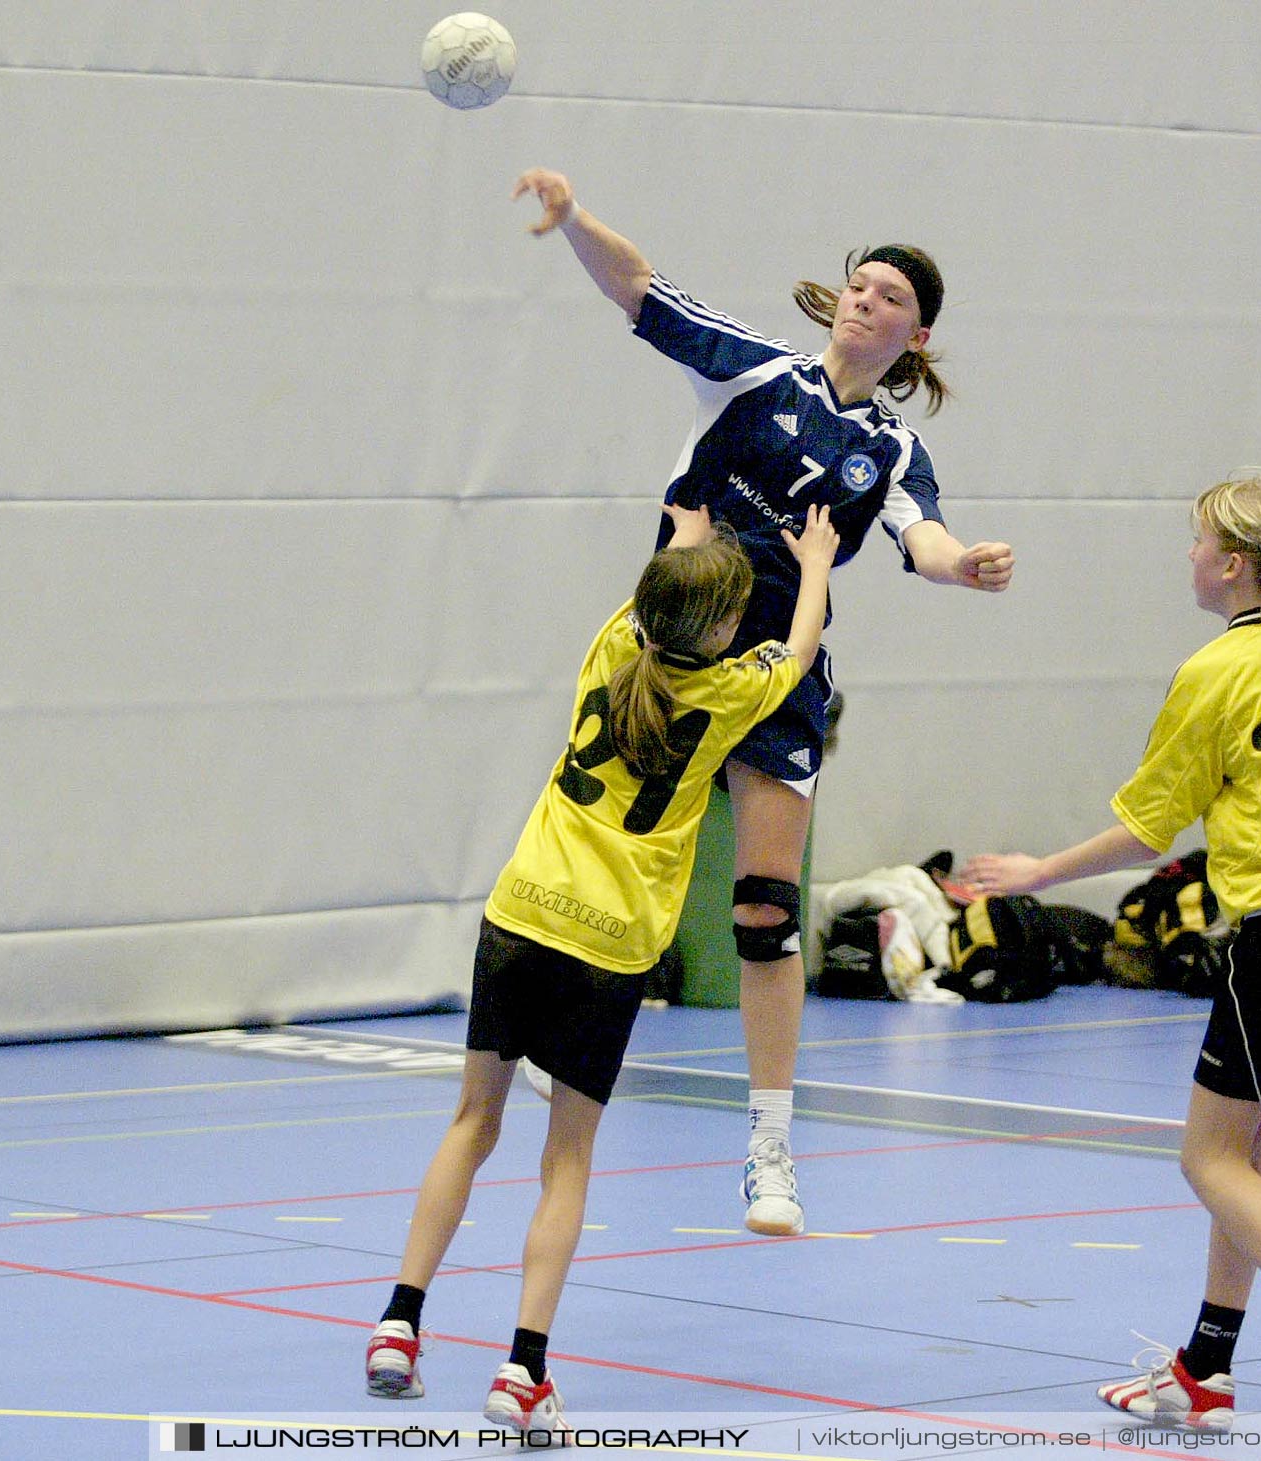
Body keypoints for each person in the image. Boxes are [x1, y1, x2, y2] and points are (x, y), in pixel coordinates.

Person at [510, 167, 1016, 1236]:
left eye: (890, 297)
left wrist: (959, 561)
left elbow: (918, 534)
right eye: (860, 284)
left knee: (764, 913)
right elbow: (642, 292)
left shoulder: (892, 447)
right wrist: (573, 224)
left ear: (913, 336)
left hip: (781, 679)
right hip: (673, 657)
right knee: (603, 862)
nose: (866, 300)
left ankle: (771, 1154)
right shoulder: (754, 374)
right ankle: (551, 1043)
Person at [965, 472, 1261, 1433]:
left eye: (1194, 543)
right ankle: (1205, 1371)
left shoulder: (1215, 671)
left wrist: (1036, 873)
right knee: (1245, 1156)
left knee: (1207, 1159)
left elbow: (1146, 827)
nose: (1186, 557)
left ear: (1230, 565)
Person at [364, 502, 841, 1430]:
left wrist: (686, 538)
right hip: (608, 946)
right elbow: (803, 633)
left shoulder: (613, 643)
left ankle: (398, 1322)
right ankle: (522, 1368)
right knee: (567, 1160)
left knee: (471, 1121)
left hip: (520, 912)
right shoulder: (733, 691)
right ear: (722, 627)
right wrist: (815, 561)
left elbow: (658, 593)